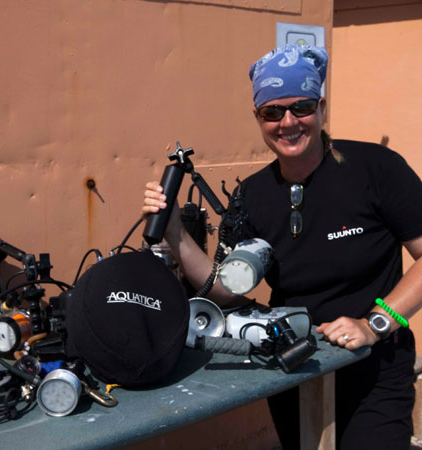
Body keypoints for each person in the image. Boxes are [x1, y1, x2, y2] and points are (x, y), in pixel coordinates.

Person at [142, 45, 422, 450]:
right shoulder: (253, 194)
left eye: (301, 107)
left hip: (374, 368)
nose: (287, 122)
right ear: (258, 117)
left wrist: (375, 324)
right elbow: (224, 290)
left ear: (321, 108)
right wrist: (174, 233)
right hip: (293, 367)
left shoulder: (375, 168)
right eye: (272, 112)